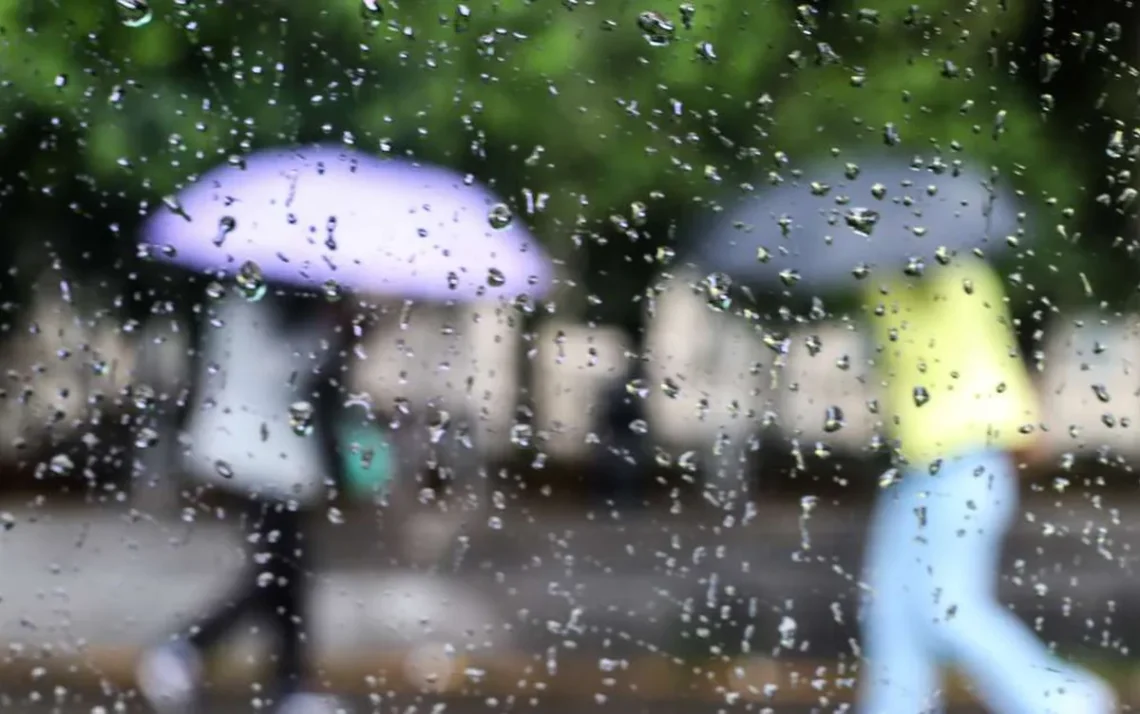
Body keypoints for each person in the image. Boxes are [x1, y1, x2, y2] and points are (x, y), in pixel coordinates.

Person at [857, 255, 1117, 714]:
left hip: (966, 458)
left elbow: (985, 356)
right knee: (890, 610)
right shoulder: (882, 279)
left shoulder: (957, 274)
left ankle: (1063, 701)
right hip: (917, 465)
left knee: (946, 607)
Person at [135, 287, 350, 714]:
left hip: (270, 455)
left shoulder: (252, 302)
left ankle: (291, 684)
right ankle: (184, 648)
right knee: (278, 571)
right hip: (257, 456)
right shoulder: (251, 304)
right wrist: (331, 332)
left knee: (286, 572)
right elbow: (283, 372)